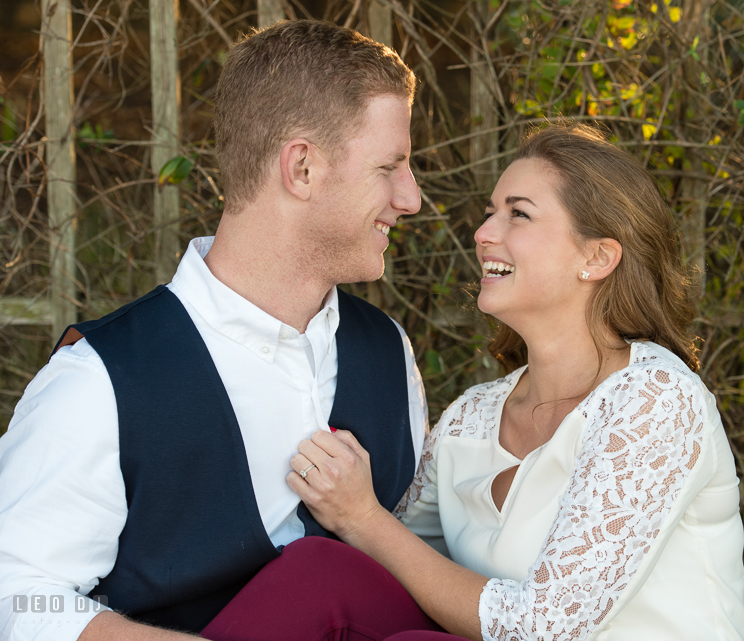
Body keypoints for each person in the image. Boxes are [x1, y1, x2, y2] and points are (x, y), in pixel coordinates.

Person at [202, 124, 744, 641]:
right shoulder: (474, 416)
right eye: (491, 213)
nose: (484, 232)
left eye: (520, 215)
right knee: (320, 571)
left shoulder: (655, 400)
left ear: (597, 257)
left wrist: (362, 516)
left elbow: (541, 628)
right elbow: (387, 564)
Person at [0, 20, 428, 641]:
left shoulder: (389, 351)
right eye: (389, 167)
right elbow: (15, 595)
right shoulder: (101, 380)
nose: (411, 197)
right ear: (302, 169)